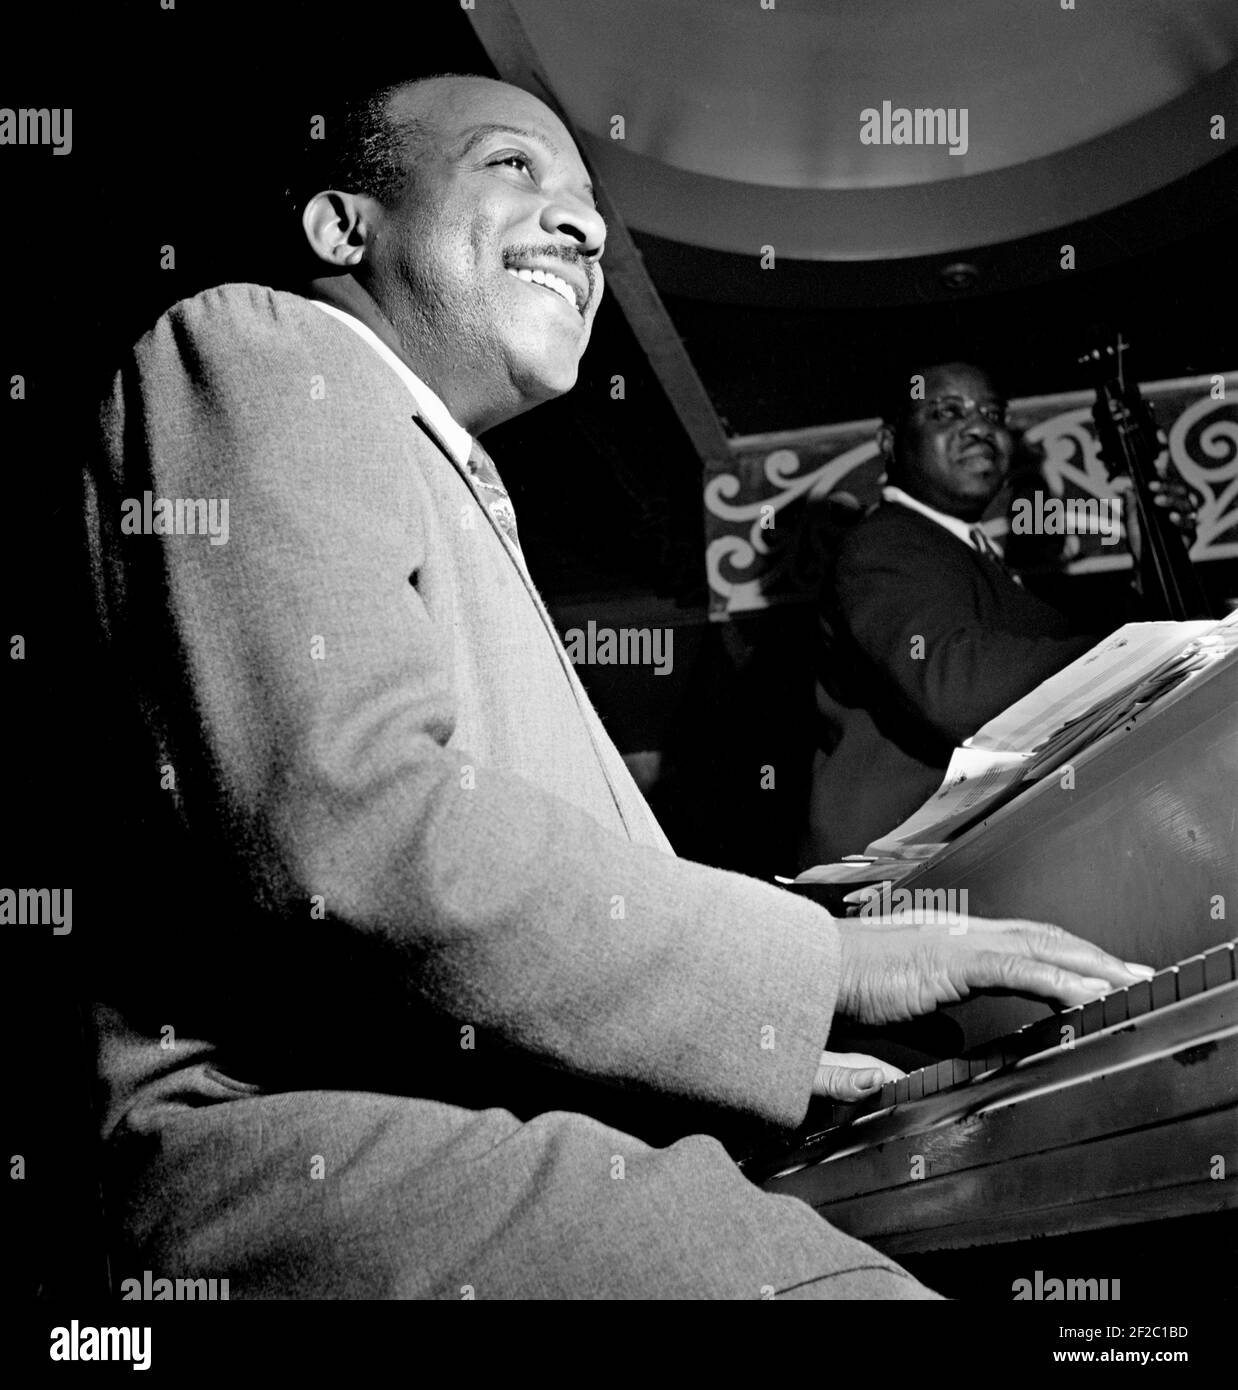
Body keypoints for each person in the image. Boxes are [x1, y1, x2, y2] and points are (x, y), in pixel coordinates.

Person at [84, 76, 1148, 1300]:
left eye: (589, 203)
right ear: (342, 228)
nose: (585, 229)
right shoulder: (268, 349)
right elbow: (351, 823)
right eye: (512, 169)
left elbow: (547, 898)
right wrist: (824, 971)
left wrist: (771, 1045)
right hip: (289, 1136)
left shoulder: (447, 478)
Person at [801, 360, 1193, 867]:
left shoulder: (973, 562)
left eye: (992, 413)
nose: (979, 426)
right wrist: (1140, 654)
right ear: (890, 440)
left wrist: (1153, 568)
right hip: (906, 876)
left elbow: (1044, 656)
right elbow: (958, 686)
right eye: (946, 411)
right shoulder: (887, 542)